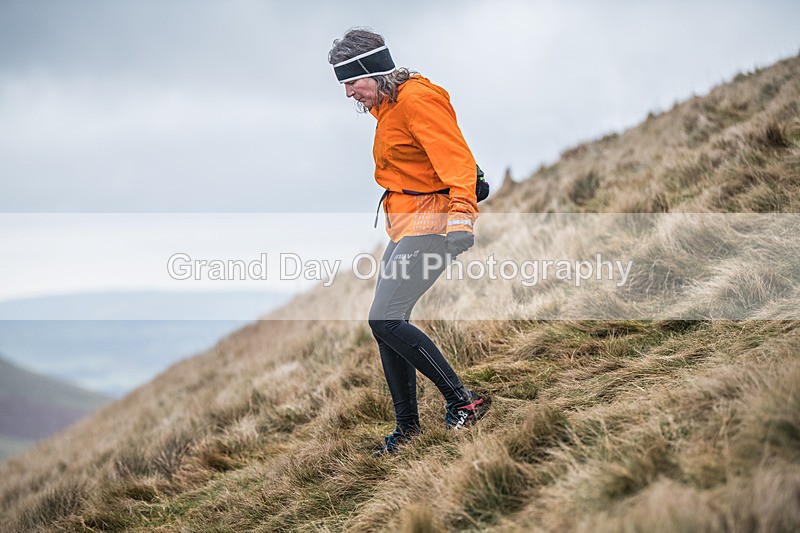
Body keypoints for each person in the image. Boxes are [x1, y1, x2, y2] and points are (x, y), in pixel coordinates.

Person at [328, 28, 491, 455]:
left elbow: (455, 158)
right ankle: (408, 429)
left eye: (351, 82)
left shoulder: (417, 100)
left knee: (384, 319)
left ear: (374, 71)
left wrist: (462, 219)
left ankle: (463, 401)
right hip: (407, 225)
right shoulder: (388, 105)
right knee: (385, 325)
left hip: (435, 223)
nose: (348, 93)